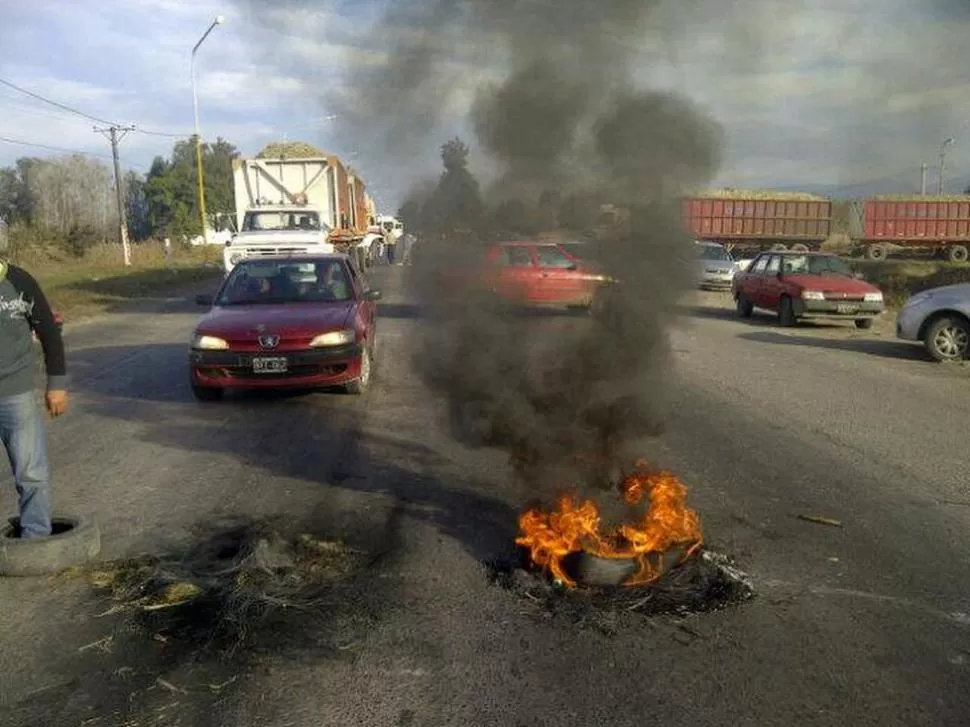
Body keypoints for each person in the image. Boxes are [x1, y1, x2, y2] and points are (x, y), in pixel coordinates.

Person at [0, 242, 68, 539]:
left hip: (15, 395)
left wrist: (56, 385)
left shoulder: (18, 281)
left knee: (30, 473)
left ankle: (36, 539)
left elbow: (50, 333)